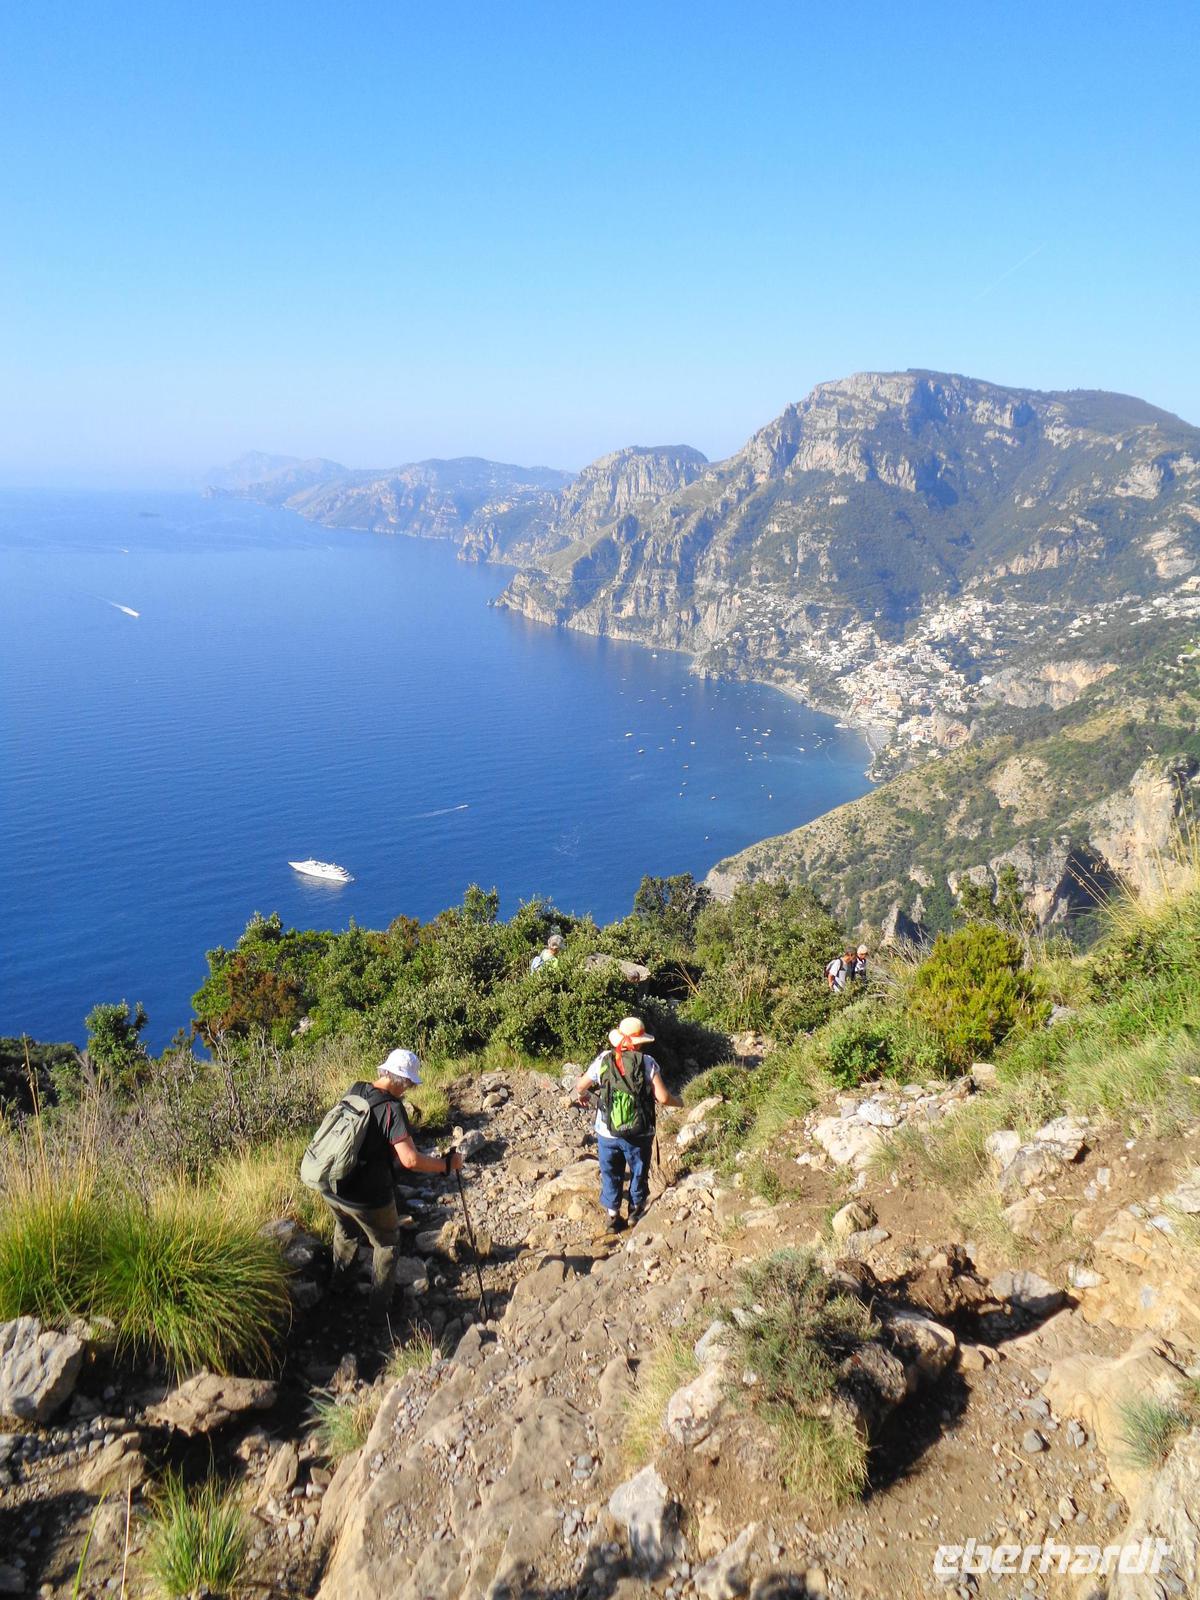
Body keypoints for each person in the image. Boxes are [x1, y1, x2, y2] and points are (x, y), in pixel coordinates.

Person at [319, 1048, 464, 1315]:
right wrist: (446, 1165)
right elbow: (410, 1160)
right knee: (386, 1244)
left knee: (347, 1231)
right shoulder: (392, 1109)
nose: (408, 1088)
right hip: (367, 1196)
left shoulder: (356, 1089)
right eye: (408, 1083)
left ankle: (338, 1287)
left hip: (332, 1183)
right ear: (401, 1080)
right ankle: (379, 1311)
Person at [574, 1017, 681, 1232]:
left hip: (606, 1131)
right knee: (638, 1170)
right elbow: (663, 1097)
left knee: (610, 1171)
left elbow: (580, 1085)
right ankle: (634, 1211)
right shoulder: (647, 1062)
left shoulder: (604, 1059)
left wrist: (584, 1094)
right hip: (639, 1132)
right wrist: (681, 1103)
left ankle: (612, 1217)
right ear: (641, 1042)